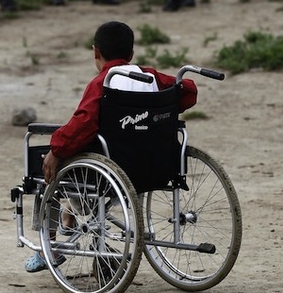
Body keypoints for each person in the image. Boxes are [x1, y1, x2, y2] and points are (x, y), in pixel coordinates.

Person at [25, 20, 198, 273]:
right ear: (131, 54)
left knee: (46, 168)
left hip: (110, 170)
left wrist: (55, 150)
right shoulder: (149, 76)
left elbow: (82, 124)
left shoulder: (102, 82)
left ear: (96, 52)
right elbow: (188, 91)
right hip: (154, 166)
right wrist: (159, 107)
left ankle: (47, 246)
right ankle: (69, 214)